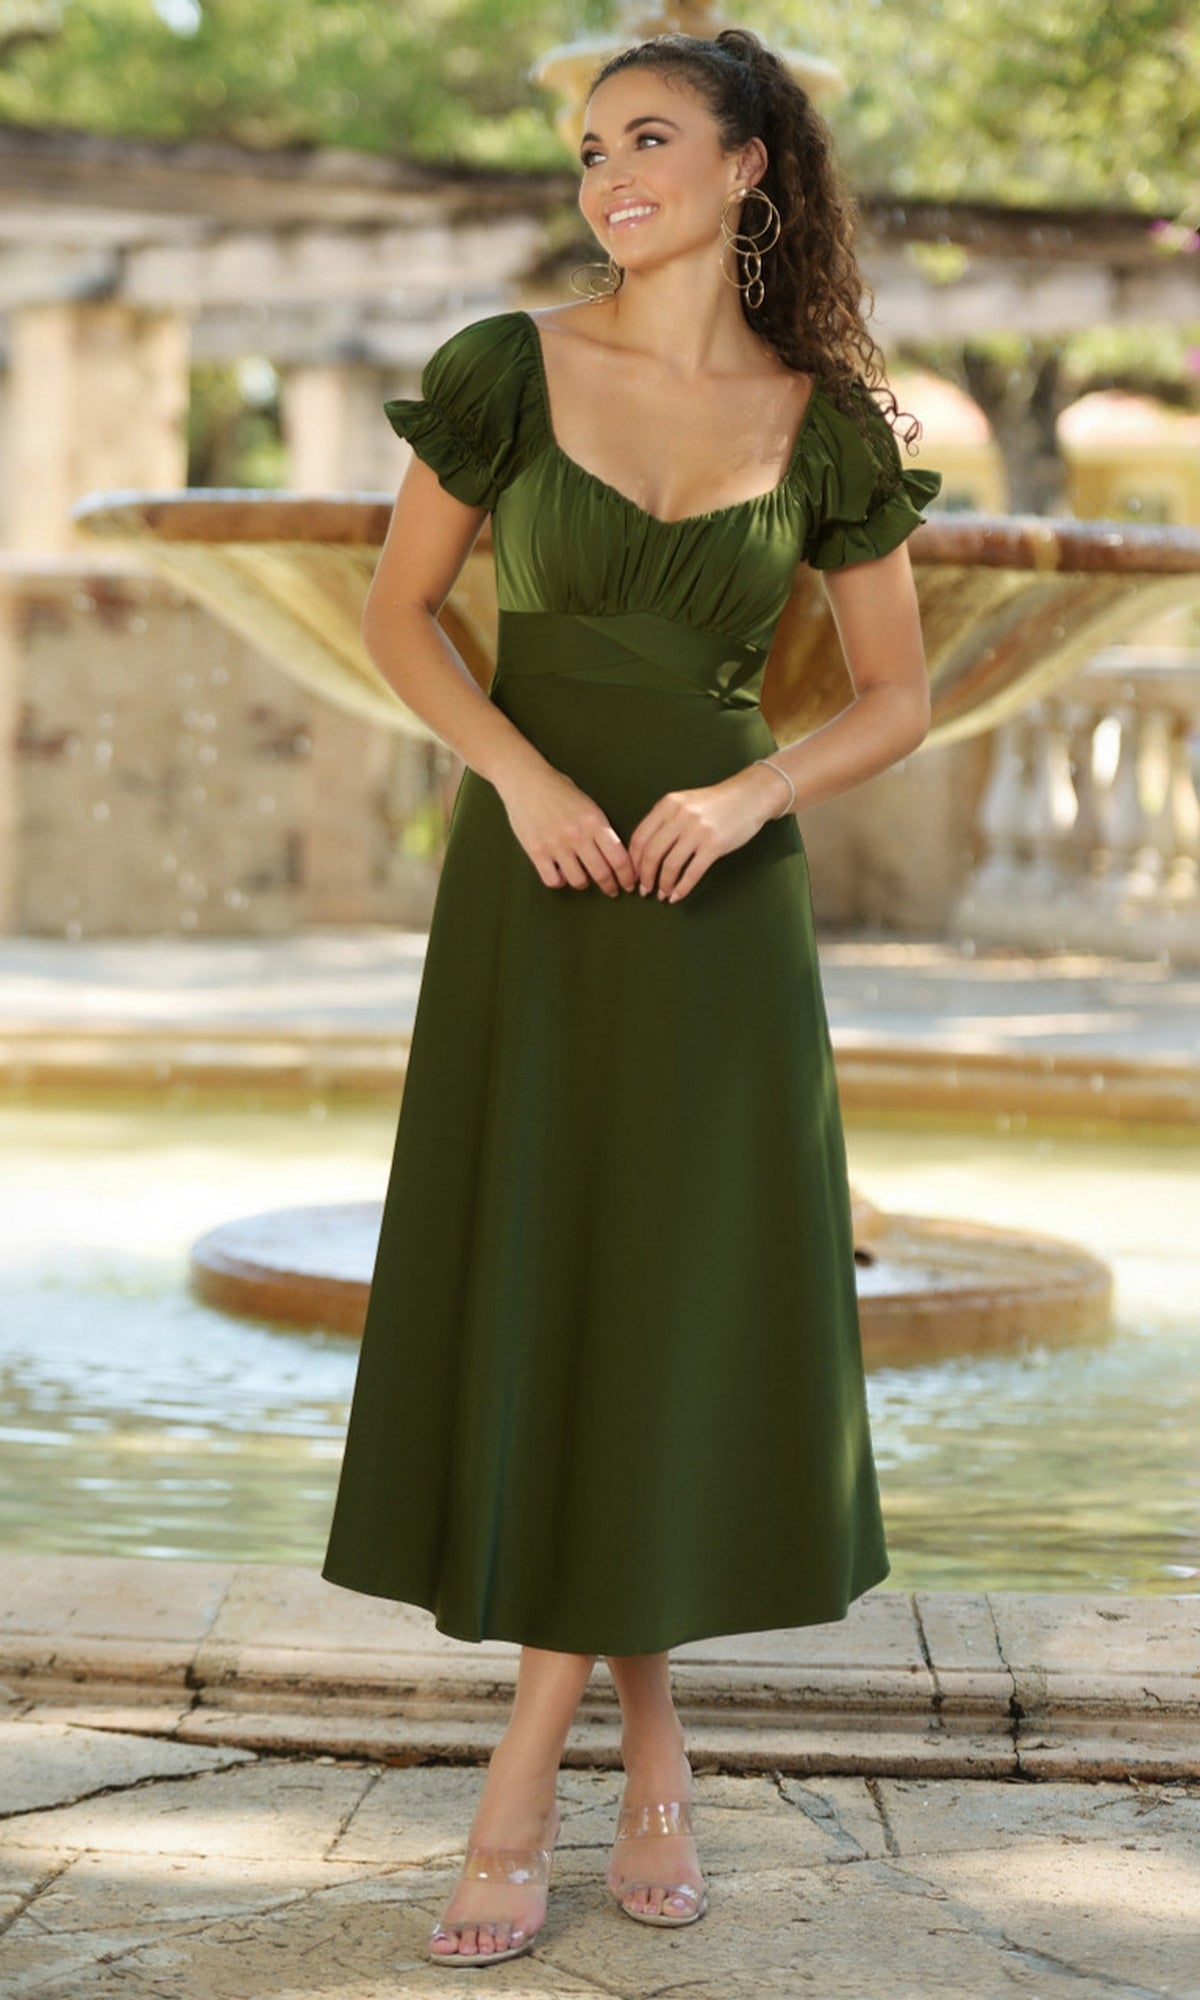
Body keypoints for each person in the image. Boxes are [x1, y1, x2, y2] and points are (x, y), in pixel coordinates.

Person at [320, 24, 940, 1970]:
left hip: (715, 908)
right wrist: (510, 772)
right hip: (531, 891)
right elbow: (396, 611)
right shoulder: (512, 369)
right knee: (570, 1285)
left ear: (752, 166)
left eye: (650, 139)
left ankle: (532, 1766)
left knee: (658, 1307)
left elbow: (898, 695)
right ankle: (651, 1733)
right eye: (592, 148)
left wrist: (751, 787)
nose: (610, 176)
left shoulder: (825, 423)